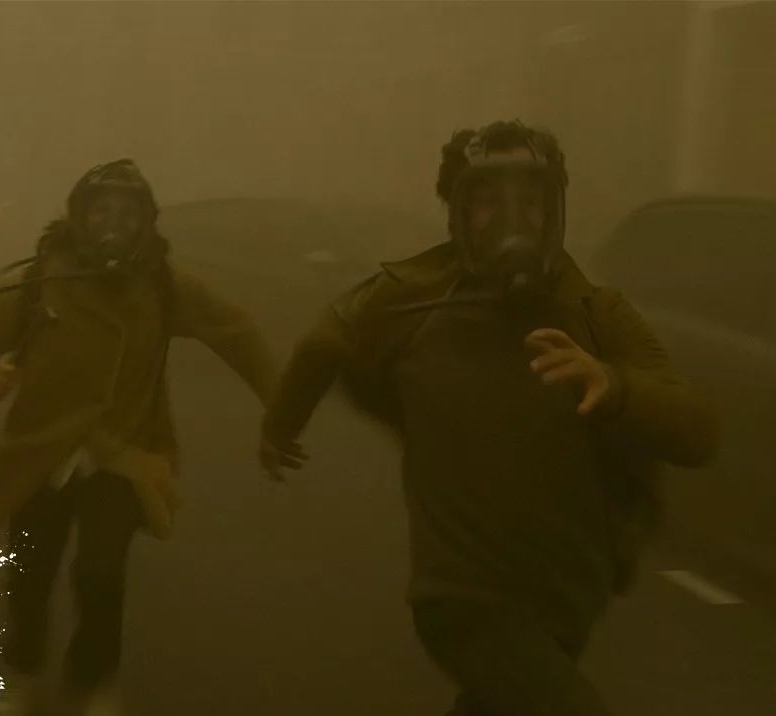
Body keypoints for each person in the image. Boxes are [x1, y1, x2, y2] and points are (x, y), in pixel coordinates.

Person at [259, 121, 718, 715]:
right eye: (488, 200)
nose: (512, 220)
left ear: (554, 209)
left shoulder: (596, 313)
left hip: (567, 601)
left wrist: (616, 386)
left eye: (531, 200)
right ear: (456, 213)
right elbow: (325, 342)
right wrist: (281, 425)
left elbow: (697, 432)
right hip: (464, 599)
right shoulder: (408, 297)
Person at [0, 159, 279, 716]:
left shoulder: (162, 285)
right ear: (79, 217)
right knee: (30, 575)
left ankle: (93, 681)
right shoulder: (39, 284)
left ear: (146, 222)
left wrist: (281, 406)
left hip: (124, 452)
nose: (113, 224)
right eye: (100, 211)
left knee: (101, 571)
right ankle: (23, 671)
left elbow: (236, 331)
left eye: (127, 213)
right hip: (41, 452)